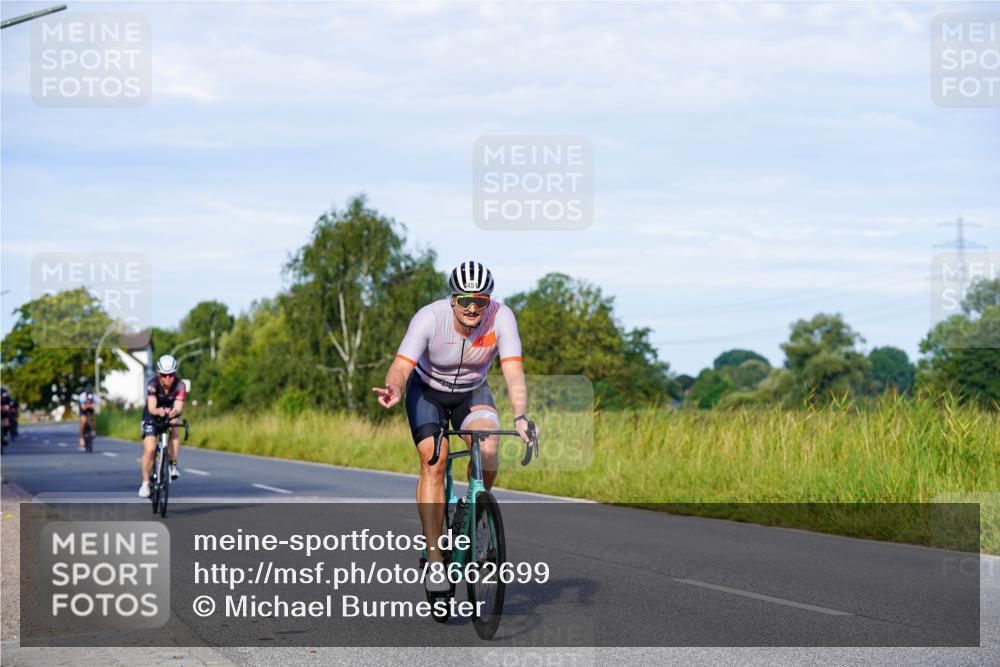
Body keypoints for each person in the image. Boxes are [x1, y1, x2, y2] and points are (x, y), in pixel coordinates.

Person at [373, 261, 533, 593]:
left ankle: (474, 507)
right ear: (452, 300)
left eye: (480, 300)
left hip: (472, 393)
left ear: (488, 300)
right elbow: (401, 366)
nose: (473, 307)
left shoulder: (501, 317)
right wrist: (395, 387)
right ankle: (434, 561)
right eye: (465, 300)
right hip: (427, 392)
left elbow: (514, 371)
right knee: (435, 460)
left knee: (488, 448)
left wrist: (520, 417)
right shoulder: (429, 318)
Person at [138, 354, 186, 498]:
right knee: (150, 449)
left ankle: (172, 464)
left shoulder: (180, 385)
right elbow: (152, 407)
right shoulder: (152, 384)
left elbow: (178, 407)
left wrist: (173, 413)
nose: (168, 378)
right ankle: (145, 483)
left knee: (175, 425)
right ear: (159, 373)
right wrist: (159, 411)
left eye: (171, 374)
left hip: (169, 413)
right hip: (152, 415)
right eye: (164, 375)